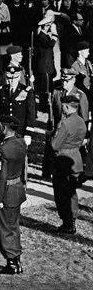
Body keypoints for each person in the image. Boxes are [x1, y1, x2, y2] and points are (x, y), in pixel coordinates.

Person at [0, 115, 27, 275]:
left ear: (5, 128)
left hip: (6, 192)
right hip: (18, 188)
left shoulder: (3, 149)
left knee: (5, 228)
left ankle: (12, 263)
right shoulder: (21, 143)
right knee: (14, 225)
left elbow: (2, 176)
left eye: (0, 126)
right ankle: (17, 259)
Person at [51, 95, 87, 234]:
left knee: (62, 194)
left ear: (66, 106)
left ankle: (67, 223)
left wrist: (53, 134)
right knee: (72, 192)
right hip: (76, 159)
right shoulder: (80, 121)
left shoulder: (66, 123)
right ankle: (72, 221)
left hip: (63, 160)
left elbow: (55, 145)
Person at [0, 65, 36, 144]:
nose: (12, 81)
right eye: (9, 78)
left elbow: (31, 114)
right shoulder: (2, 90)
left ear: (19, 77)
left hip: (20, 130)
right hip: (5, 130)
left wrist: (28, 133)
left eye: (14, 78)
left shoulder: (26, 91)